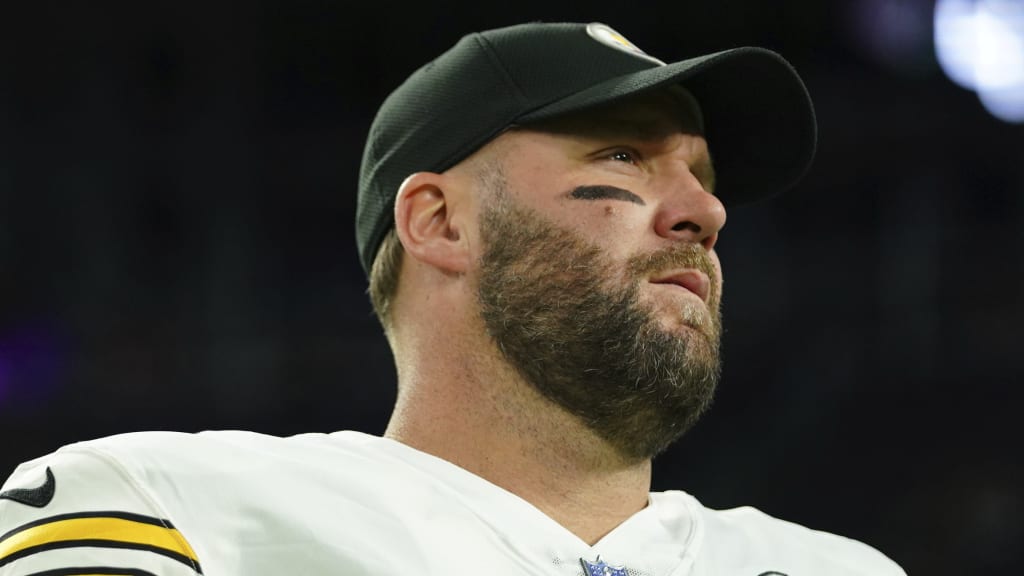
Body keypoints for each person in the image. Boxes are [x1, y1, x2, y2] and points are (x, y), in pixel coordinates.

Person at [0, 21, 907, 575]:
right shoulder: (175, 513)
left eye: (703, 177)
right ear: (439, 222)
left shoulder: (841, 571)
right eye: (624, 155)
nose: (706, 210)